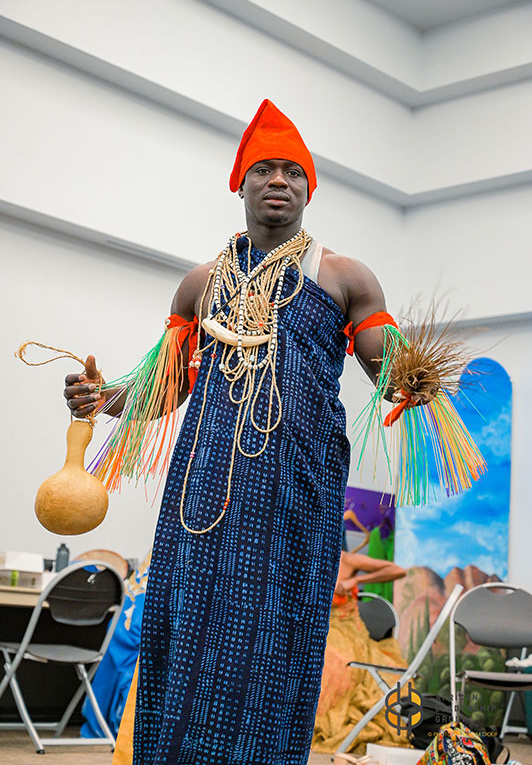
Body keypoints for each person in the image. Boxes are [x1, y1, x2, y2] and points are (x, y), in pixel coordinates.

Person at [63, 99, 421, 765]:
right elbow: (163, 388)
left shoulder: (345, 277)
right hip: (205, 490)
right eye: (264, 169)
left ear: (310, 189)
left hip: (298, 488)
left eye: (293, 171)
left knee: (279, 635)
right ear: (241, 184)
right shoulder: (198, 286)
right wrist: (101, 398)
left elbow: (387, 368)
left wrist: (412, 378)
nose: (278, 180)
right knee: (190, 625)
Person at [313, 552, 409, 756]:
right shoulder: (304, 555)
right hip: (316, 629)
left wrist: (356, 580)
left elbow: (398, 570)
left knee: (335, 661)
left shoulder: (346, 559)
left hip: (347, 630)